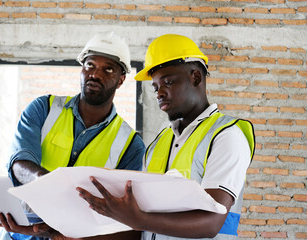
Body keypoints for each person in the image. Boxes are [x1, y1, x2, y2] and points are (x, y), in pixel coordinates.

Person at [77, 33, 255, 240]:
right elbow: (140, 228)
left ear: (196, 77)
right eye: (155, 87)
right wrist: (70, 236)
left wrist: (137, 219)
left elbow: (211, 223)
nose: (159, 92)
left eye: (168, 82)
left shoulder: (226, 136)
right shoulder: (158, 143)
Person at [0, 32, 145, 240]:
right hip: (19, 234)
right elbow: (20, 162)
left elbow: (122, 216)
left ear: (120, 80)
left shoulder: (131, 145)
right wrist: (48, 182)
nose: (95, 74)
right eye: (90, 65)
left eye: (107, 69)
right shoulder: (43, 109)